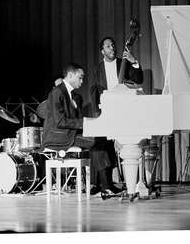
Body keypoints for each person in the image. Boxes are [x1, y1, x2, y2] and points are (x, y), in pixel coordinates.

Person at [41, 63, 121, 194]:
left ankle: (105, 184)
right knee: (95, 141)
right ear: (70, 75)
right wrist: (85, 122)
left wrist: (91, 125)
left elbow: (76, 121)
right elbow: (60, 121)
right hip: (57, 136)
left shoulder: (76, 97)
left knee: (104, 139)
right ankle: (105, 185)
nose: (82, 81)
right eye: (80, 78)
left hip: (70, 133)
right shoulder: (57, 93)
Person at [89, 36, 144, 193]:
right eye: (108, 46)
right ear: (102, 51)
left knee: (130, 145)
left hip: (125, 110)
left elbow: (139, 79)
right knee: (101, 143)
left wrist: (134, 62)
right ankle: (106, 184)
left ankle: (132, 183)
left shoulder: (123, 63)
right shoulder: (97, 69)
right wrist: (97, 113)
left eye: (113, 45)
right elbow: (94, 92)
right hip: (105, 109)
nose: (112, 48)